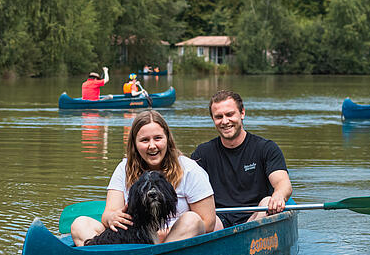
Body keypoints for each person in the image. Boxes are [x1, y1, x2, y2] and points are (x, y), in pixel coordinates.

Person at [70, 110, 218, 246]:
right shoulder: (124, 168)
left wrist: (161, 234)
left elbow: (208, 223)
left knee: (192, 219)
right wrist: (112, 217)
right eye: (145, 140)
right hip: (132, 238)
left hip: (174, 240)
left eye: (158, 138)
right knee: (80, 225)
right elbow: (109, 213)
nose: (152, 146)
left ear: (168, 139)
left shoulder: (189, 170)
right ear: (135, 144)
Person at [190, 90, 291, 228]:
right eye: (219, 117)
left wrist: (279, 195)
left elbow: (283, 183)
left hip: (257, 216)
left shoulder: (267, 148)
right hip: (219, 220)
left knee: (268, 200)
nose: (225, 121)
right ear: (213, 119)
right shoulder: (202, 153)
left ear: (242, 113)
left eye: (230, 114)